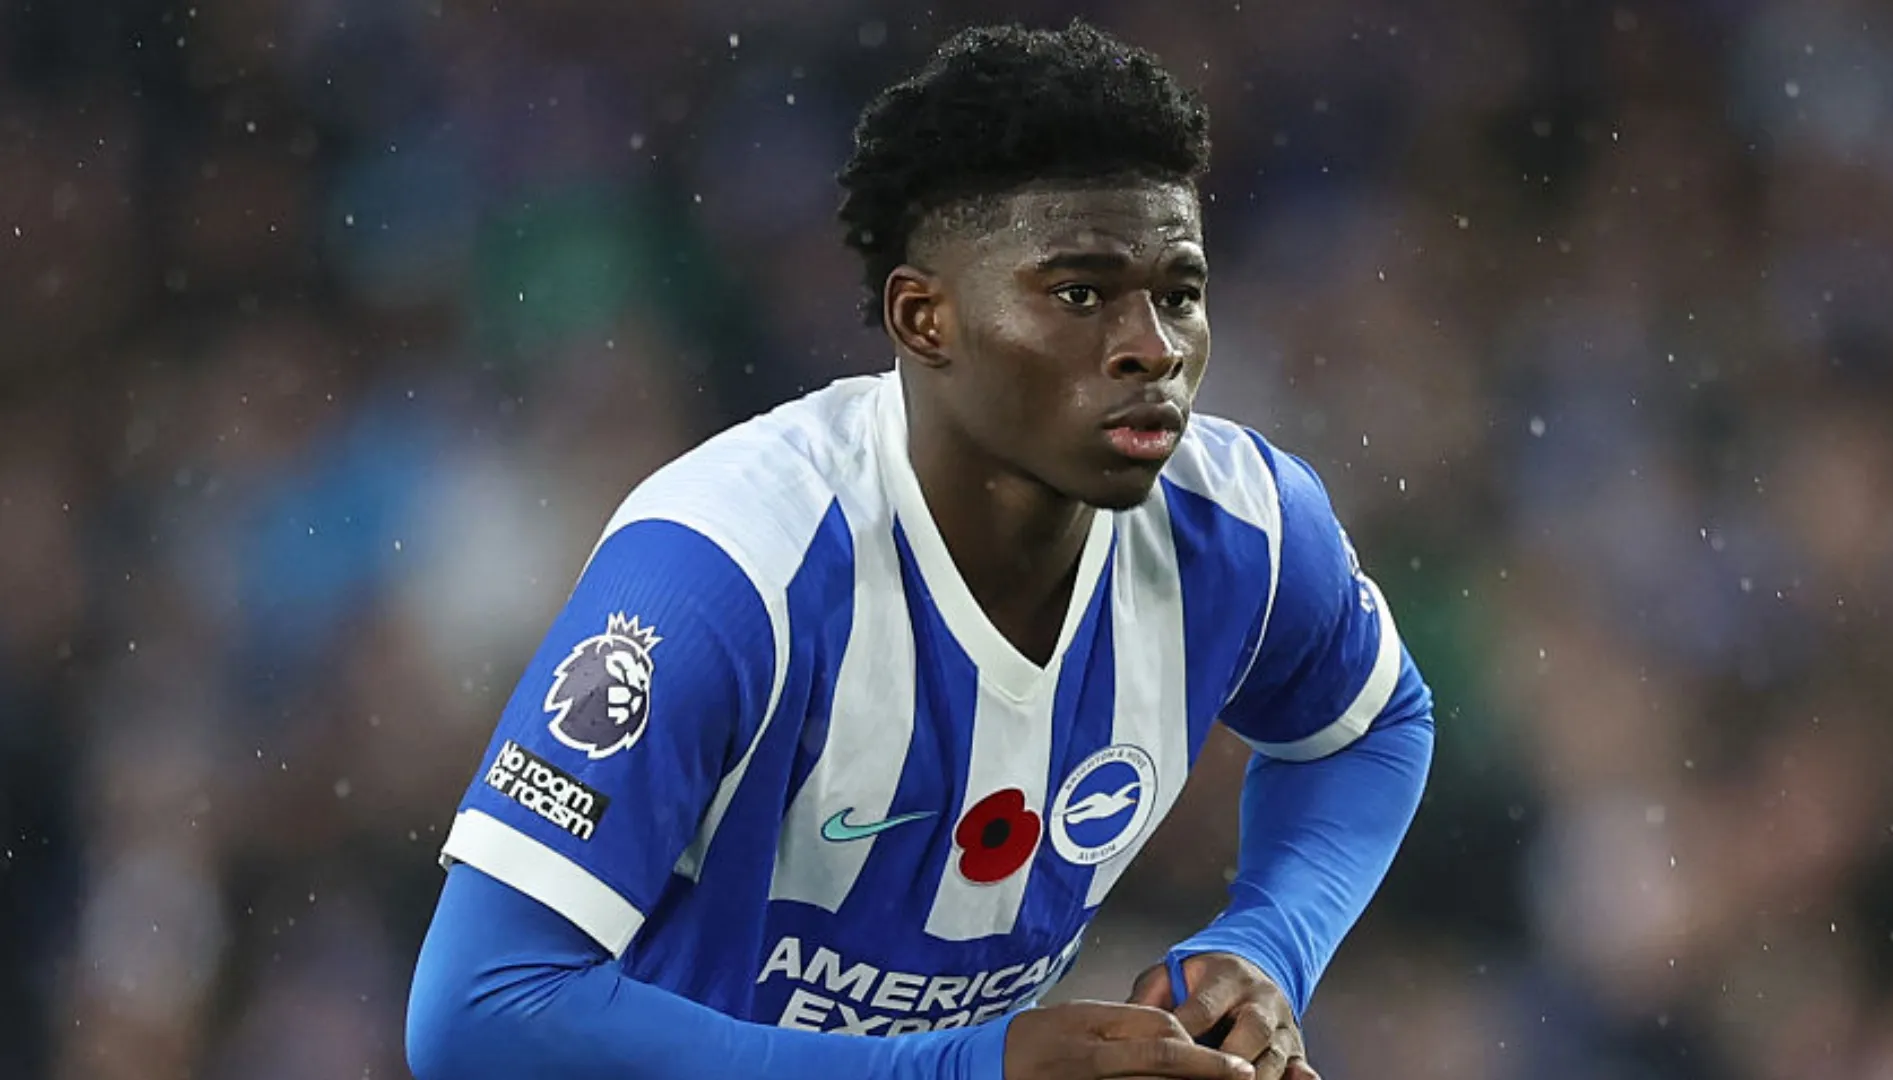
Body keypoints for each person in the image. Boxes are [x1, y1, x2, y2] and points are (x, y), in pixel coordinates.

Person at [406, 20, 1433, 1080]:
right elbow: (480, 1012)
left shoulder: (1244, 529)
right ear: (924, 317)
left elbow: (1375, 724)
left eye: (1176, 293)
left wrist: (1264, 943)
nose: (1153, 347)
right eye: (1080, 294)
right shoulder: (726, 572)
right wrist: (959, 1071)